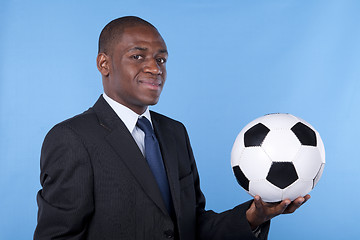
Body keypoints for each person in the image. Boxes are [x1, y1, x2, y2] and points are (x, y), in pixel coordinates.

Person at [34, 16, 310, 240]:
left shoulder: (174, 133)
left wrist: (255, 216)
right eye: (138, 57)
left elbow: (192, 226)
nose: (155, 68)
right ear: (104, 64)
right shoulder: (72, 138)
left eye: (161, 59)